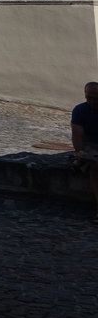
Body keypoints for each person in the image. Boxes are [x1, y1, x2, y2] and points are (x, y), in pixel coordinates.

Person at [71, 81, 98, 220]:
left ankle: (78, 162)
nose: (92, 101)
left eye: (96, 98)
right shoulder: (80, 110)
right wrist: (80, 150)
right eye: (89, 98)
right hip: (89, 145)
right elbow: (77, 134)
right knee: (95, 169)